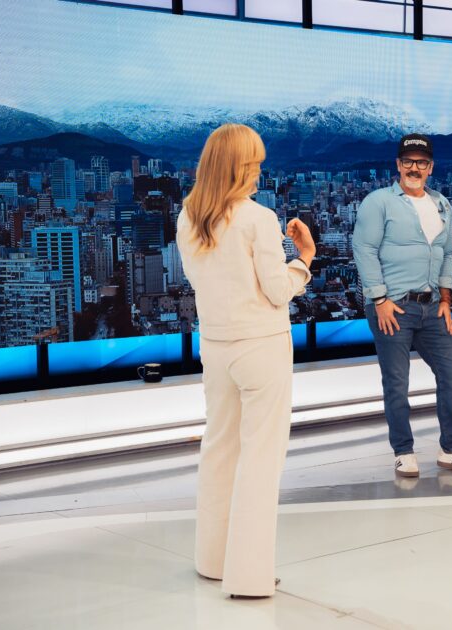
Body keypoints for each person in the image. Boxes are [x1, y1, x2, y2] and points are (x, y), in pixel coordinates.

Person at [176, 123, 315, 598]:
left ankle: (212, 561)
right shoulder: (259, 218)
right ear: (235, 167)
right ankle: (249, 576)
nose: (258, 172)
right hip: (262, 346)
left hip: (216, 347)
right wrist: (304, 259)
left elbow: (201, 282)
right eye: (252, 163)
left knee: (219, 450)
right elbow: (277, 291)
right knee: (261, 458)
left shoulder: (189, 217)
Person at [353, 133, 452, 478]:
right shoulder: (378, 202)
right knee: (397, 382)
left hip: (432, 307)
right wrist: (379, 299)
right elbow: (364, 249)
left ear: (431, 167)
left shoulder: (442, 203)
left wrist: (446, 298)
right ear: (398, 165)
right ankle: (403, 451)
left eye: (422, 162)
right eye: (408, 162)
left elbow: (447, 253)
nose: (414, 168)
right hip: (393, 307)